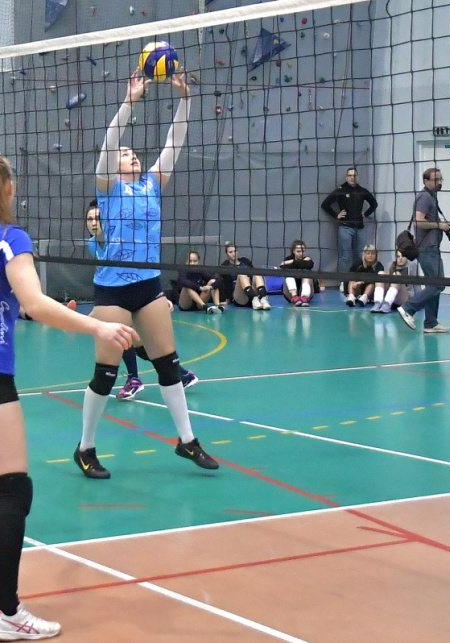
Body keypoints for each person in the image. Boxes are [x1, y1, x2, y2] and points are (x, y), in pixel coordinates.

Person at [0, 150, 137, 640]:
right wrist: (97, 327)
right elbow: (35, 304)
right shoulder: (9, 238)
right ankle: (8, 613)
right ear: (6, 189)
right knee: (14, 490)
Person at [74, 68, 218, 479]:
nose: (131, 155)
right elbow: (109, 143)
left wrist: (186, 100)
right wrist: (130, 101)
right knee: (105, 373)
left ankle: (187, 440)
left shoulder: (152, 185)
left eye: (134, 153)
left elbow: (175, 143)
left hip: (148, 286)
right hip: (112, 291)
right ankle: (85, 447)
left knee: (168, 365)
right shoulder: (108, 190)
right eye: (126, 154)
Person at [83, 200, 197, 401]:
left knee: (123, 335)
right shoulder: (92, 244)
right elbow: (104, 275)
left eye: (98, 218)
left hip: (138, 293)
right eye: (90, 219)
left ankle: (134, 380)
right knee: (140, 346)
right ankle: (183, 375)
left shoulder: (121, 239)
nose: (94, 223)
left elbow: (142, 268)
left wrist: (157, 296)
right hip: (116, 295)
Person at [397, 168, 450, 333]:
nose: (439, 183)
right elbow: (418, 221)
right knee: (437, 284)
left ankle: (430, 323)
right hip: (427, 249)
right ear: (426, 181)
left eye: (440, 179)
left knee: (434, 285)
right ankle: (408, 308)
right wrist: (439, 225)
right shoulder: (425, 197)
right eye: (435, 180)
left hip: (432, 248)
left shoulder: (431, 196)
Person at [321, 167, 379, 274]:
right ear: (346, 177)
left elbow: (374, 204)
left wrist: (366, 214)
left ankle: (358, 279)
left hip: (360, 228)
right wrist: (336, 215)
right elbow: (325, 204)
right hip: (345, 228)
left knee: (360, 255)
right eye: (350, 176)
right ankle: (344, 280)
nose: (352, 178)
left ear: (358, 177)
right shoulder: (341, 190)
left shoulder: (362, 191)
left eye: (354, 175)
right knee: (346, 256)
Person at [220, 241, 270, 310]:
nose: (233, 254)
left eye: (235, 251)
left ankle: (263, 298)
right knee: (241, 274)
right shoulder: (225, 265)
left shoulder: (245, 261)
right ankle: (254, 298)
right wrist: (227, 300)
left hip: (251, 291)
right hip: (239, 297)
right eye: (230, 252)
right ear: (227, 254)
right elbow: (226, 284)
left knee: (256, 273)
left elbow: (253, 275)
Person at [279, 240, 317, 307]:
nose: (301, 253)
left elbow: (309, 265)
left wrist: (292, 263)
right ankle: (294, 297)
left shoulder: (308, 260)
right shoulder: (288, 259)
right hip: (290, 295)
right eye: (298, 251)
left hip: (307, 294)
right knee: (289, 274)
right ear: (293, 251)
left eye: (303, 251)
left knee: (306, 274)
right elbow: (282, 266)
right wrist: (297, 261)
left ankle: (304, 297)